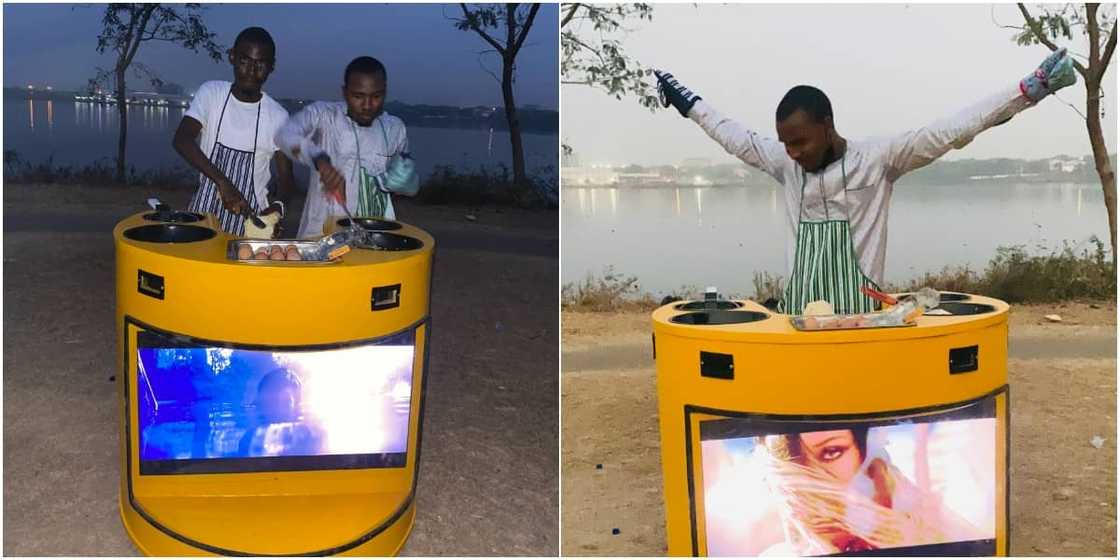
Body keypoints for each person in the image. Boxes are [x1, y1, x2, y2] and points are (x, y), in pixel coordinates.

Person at [656, 49, 1077, 315]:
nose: (792, 153)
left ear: (827, 125)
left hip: (864, 322)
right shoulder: (785, 166)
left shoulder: (877, 162)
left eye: (800, 142)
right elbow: (731, 134)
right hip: (797, 323)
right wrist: (686, 102)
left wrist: (1029, 90)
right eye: (785, 143)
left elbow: (951, 130)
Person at [757, 427, 985, 555]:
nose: (820, 484)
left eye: (832, 452)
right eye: (798, 473)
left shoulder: (943, 533)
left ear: (868, 451)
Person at [274, 56, 419, 239]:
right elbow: (284, 135)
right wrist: (321, 160)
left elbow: (405, 178)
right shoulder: (323, 116)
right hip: (322, 233)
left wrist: (404, 182)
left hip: (376, 234)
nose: (367, 106)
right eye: (358, 96)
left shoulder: (394, 128)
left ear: (385, 92)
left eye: (376, 96)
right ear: (345, 92)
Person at [172, 26, 295, 237]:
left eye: (260, 64)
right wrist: (223, 183)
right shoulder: (212, 94)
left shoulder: (278, 117)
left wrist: (277, 208)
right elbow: (182, 140)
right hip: (204, 214)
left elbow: (287, 180)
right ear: (232, 57)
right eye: (244, 61)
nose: (251, 71)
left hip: (251, 221)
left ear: (271, 67)